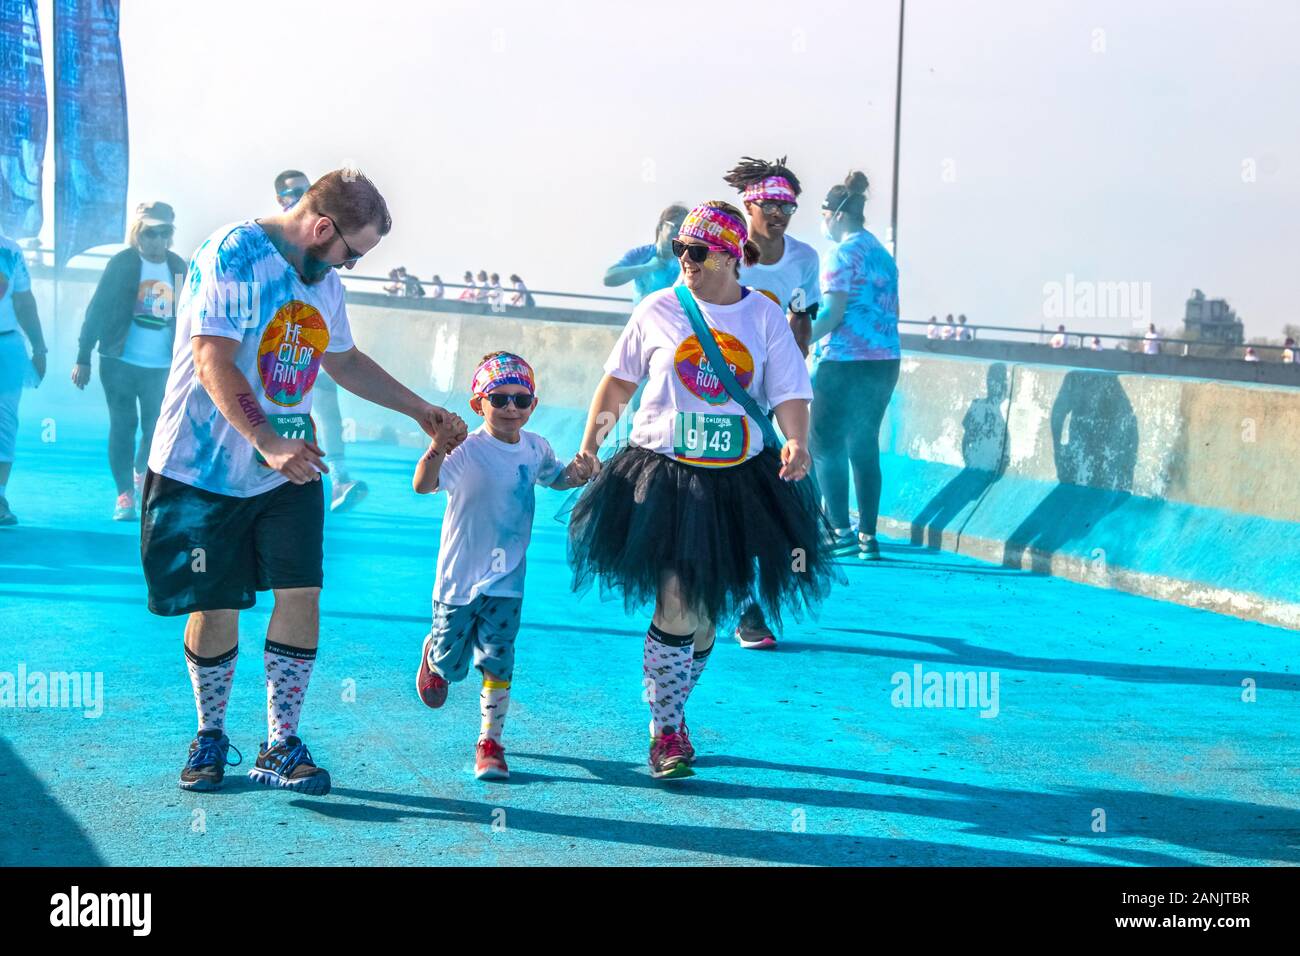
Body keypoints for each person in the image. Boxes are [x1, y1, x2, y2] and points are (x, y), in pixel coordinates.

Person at [143, 168, 468, 795]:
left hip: (290, 467)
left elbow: (342, 359)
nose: (346, 267)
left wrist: (420, 411)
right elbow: (212, 358)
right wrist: (265, 441)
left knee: (301, 593)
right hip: (204, 466)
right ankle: (211, 733)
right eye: (350, 253)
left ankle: (280, 743)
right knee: (218, 605)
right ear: (322, 228)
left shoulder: (319, 281)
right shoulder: (233, 254)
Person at [568, 200, 838, 780]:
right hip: (663, 475)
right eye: (679, 251)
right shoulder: (657, 309)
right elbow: (617, 384)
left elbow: (791, 391)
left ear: (731, 256)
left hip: (739, 483)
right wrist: (592, 444)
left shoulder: (763, 318)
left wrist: (796, 443)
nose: (683, 261)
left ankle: (675, 711)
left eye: (696, 252)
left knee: (709, 618)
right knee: (677, 602)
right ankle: (666, 731)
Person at [413, 352, 595, 780]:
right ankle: (433, 658)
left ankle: (490, 742)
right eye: (499, 398)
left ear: (533, 404)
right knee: (452, 667)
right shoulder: (466, 451)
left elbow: (558, 477)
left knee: (499, 658)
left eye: (521, 398)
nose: (511, 407)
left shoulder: (535, 449)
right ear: (479, 404)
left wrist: (580, 471)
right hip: (458, 580)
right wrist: (438, 445)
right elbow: (423, 484)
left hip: (508, 581)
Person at [721, 155, 822, 649]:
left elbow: (803, 321)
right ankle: (740, 605)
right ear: (749, 203)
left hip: (772, 397)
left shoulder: (803, 259)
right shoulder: (724, 249)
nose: (778, 213)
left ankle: (751, 599)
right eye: (769, 203)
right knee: (723, 500)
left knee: (791, 496)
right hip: (715, 388)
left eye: (787, 205)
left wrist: (791, 378)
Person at [71, 201, 188, 520]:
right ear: (138, 232)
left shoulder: (179, 267)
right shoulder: (122, 264)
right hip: (118, 361)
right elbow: (96, 310)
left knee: (156, 429)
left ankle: (141, 473)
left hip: (162, 366)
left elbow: (191, 319)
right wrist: (83, 357)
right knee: (124, 425)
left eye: (164, 233)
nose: (157, 240)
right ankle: (124, 494)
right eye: (150, 232)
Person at [808, 171, 901, 562]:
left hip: (844, 360)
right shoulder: (882, 253)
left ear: (837, 216)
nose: (822, 222)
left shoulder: (840, 255)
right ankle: (868, 537)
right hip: (885, 361)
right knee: (864, 444)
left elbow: (831, 313)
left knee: (823, 444)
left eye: (822, 214)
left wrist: (794, 341)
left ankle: (839, 532)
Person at [271, 169, 368, 512]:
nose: (301, 196)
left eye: (306, 190)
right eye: (293, 192)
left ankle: (339, 476)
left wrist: (421, 410)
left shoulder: (327, 271)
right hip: (269, 362)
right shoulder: (257, 249)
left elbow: (347, 361)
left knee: (327, 408)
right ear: (280, 199)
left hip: (308, 348)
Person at [0, 227, 47, 526]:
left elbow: (24, 301)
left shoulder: (10, 250)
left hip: (6, 345)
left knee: (4, 423)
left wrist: (39, 347)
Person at [603, 204, 688, 305]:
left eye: (684, 229)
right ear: (661, 226)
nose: (679, 232)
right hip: (644, 319)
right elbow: (609, 278)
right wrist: (647, 267)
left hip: (675, 319)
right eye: (676, 226)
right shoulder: (642, 255)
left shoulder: (687, 258)